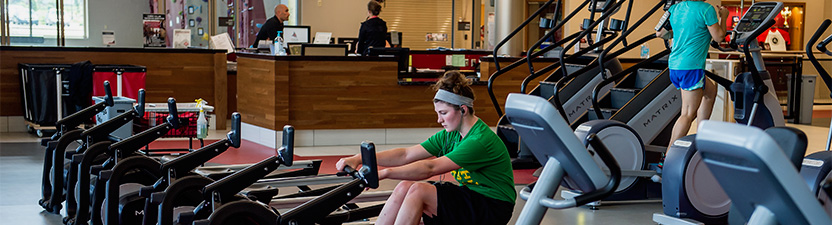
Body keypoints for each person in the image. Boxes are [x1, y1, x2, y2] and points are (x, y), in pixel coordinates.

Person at [336, 71, 515, 225]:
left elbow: (430, 168)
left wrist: (385, 173)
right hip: (471, 195)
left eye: (443, 113)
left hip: (493, 206)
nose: (439, 120)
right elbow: (406, 154)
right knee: (404, 187)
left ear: (463, 110)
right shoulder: (451, 134)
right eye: (438, 114)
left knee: (419, 191)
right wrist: (358, 158)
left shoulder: (479, 140)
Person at [656, 0, 728, 152]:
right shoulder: (706, 9)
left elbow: (660, 33)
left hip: (675, 65)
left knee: (710, 91)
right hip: (690, 67)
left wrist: (682, 34)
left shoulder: (675, 8)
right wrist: (724, 17)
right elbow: (719, 37)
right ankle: (667, 159)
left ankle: (701, 137)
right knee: (687, 114)